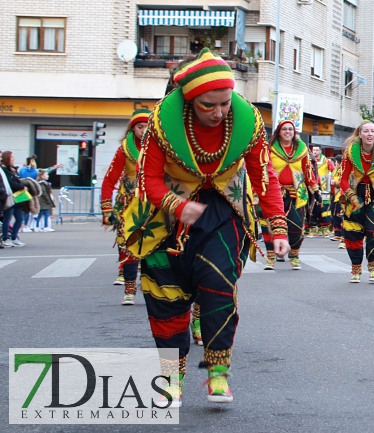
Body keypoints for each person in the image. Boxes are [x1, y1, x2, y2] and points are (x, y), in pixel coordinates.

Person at [121, 49, 288, 405]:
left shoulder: (249, 122)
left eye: (225, 104)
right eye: (208, 106)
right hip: (165, 211)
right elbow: (148, 180)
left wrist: (278, 227)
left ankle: (218, 375)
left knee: (218, 289)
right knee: (166, 301)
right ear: (189, 101)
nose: (218, 113)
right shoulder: (160, 123)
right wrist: (176, 206)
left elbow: (264, 176)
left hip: (222, 210)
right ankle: (171, 379)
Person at [100, 109, 152, 304]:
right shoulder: (124, 149)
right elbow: (109, 180)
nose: (144, 130)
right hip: (128, 206)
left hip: (153, 205)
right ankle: (129, 290)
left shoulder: (161, 147)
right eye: (140, 127)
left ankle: (152, 289)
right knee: (129, 246)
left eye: (148, 126)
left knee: (153, 250)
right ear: (133, 128)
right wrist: (106, 208)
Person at [339, 121, 374, 284]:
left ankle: (373, 268)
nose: (369, 134)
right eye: (366, 131)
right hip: (355, 195)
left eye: (372, 131)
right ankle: (355, 268)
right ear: (360, 134)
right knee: (352, 234)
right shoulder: (350, 152)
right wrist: (352, 198)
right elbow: (344, 179)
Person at [264, 120, 318, 270]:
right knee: (270, 226)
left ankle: (294, 256)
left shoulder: (302, 150)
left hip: (297, 195)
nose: (288, 132)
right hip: (274, 194)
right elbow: (262, 170)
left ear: (294, 133)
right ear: (279, 132)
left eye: (290, 129)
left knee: (295, 228)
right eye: (284, 129)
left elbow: (308, 171)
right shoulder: (269, 149)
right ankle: (270, 257)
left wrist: (315, 190)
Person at [1, 151, 28, 247]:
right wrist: (21, 186)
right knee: (7, 218)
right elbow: (11, 183)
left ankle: (14, 237)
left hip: (18, 196)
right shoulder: (5, 170)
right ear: (7, 158)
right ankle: (5, 238)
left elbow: (18, 179)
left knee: (20, 218)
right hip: (11, 196)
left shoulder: (12, 170)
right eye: (12, 157)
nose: (13, 159)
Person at [307, 145, 333, 237]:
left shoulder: (326, 161)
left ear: (321, 151)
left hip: (324, 188)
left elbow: (333, 171)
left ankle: (325, 228)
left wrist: (330, 181)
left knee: (324, 208)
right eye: (313, 150)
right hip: (311, 188)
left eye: (317, 150)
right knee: (312, 208)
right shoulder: (308, 161)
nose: (315, 151)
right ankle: (313, 228)